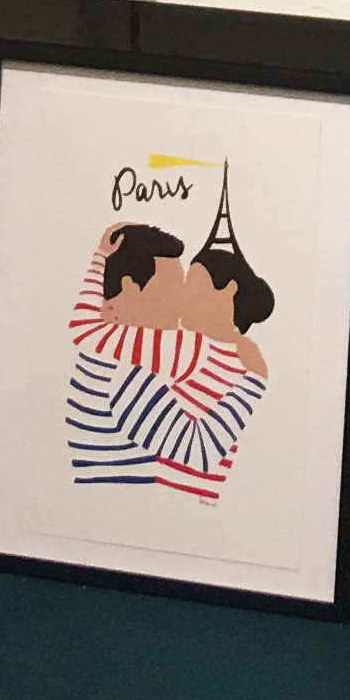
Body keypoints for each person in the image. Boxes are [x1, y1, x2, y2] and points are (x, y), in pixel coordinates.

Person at [66, 210, 273, 495]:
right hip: (133, 504)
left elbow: (84, 325)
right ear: (130, 287)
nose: (182, 296)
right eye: (173, 285)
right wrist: (254, 381)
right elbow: (200, 452)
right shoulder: (128, 369)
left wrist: (101, 258)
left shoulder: (106, 347)